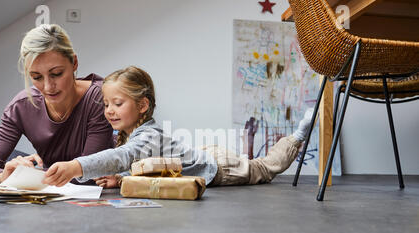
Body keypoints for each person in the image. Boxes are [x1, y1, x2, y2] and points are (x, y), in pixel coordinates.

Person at [42, 66, 314, 188]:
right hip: (195, 156)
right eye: (105, 104)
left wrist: (76, 165)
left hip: (218, 166)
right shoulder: (128, 135)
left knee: (265, 169)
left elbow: (123, 157)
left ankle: (298, 135)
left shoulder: (147, 135)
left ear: (143, 106)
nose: (109, 110)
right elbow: (140, 166)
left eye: (117, 103)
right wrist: (121, 178)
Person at [0, 24, 113, 184]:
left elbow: (89, 171)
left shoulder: (100, 97)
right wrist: (3, 176)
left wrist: (32, 174)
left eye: (56, 74)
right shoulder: (21, 106)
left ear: (74, 63)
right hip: (52, 183)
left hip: (97, 184)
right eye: (36, 77)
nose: (48, 87)